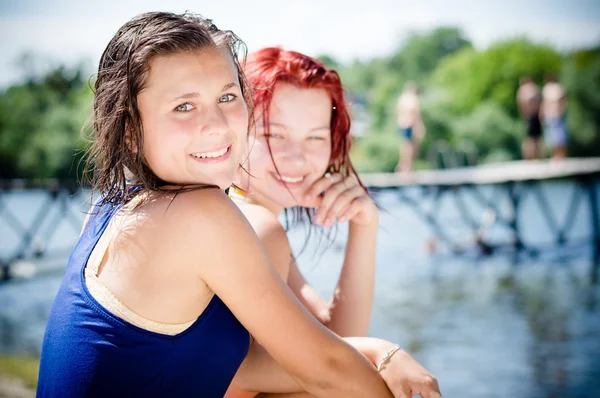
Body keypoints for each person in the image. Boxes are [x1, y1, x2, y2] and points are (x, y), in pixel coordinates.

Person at [36, 12, 420, 398]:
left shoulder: (119, 203)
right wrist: (376, 355)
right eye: (184, 106)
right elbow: (325, 371)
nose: (217, 124)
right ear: (131, 131)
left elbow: (322, 345)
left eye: (226, 98)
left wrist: (364, 228)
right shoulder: (210, 216)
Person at [226, 48, 441, 398]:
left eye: (315, 137)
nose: (297, 157)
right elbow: (229, 371)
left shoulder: (250, 217)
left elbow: (334, 334)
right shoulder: (255, 226)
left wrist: (364, 224)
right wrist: (377, 353)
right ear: (234, 130)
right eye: (273, 135)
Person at [395, 81, 425, 173]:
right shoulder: (412, 99)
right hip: (409, 124)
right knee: (410, 147)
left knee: (406, 146)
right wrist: (420, 127)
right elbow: (416, 114)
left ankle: (403, 167)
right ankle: (407, 168)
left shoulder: (402, 99)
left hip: (402, 124)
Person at [541, 73, 568, 159]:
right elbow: (544, 103)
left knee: (560, 136)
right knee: (552, 137)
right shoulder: (547, 88)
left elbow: (562, 101)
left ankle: (561, 156)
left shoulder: (557, 88)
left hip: (556, 115)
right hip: (550, 115)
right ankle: (556, 156)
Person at [516, 76, 544, 160]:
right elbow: (521, 103)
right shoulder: (524, 90)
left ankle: (538, 157)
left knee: (537, 138)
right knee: (530, 139)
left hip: (535, 115)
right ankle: (529, 158)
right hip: (529, 116)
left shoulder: (532, 89)